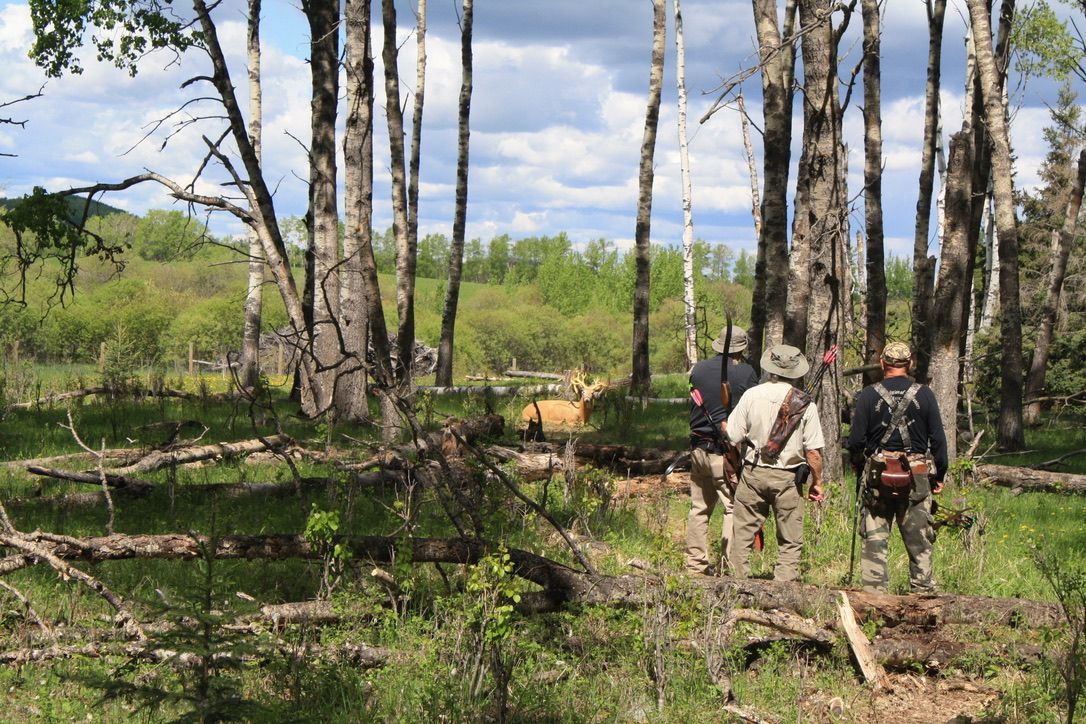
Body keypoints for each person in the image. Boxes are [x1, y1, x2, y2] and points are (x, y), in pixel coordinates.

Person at [846, 341, 948, 593]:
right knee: (919, 539)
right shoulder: (924, 394)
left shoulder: (869, 395)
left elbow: (856, 441)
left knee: (875, 538)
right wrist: (940, 476)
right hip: (917, 475)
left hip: (877, 475)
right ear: (910, 364)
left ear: (882, 364)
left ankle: (874, 596)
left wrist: (859, 465)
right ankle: (923, 592)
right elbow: (938, 441)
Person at [726, 344, 825, 582]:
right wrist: (817, 482)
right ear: (796, 370)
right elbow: (813, 452)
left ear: (770, 368)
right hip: (788, 479)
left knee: (742, 534)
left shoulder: (751, 395)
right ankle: (784, 589)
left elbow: (732, 436)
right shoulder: (805, 404)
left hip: (753, 473)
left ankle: (736, 585)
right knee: (790, 540)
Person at [684, 325, 759, 575]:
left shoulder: (699, 369)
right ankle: (728, 567)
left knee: (699, 508)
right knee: (732, 507)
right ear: (741, 348)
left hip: (698, 450)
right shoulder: (746, 372)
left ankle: (695, 565)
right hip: (724, 453)